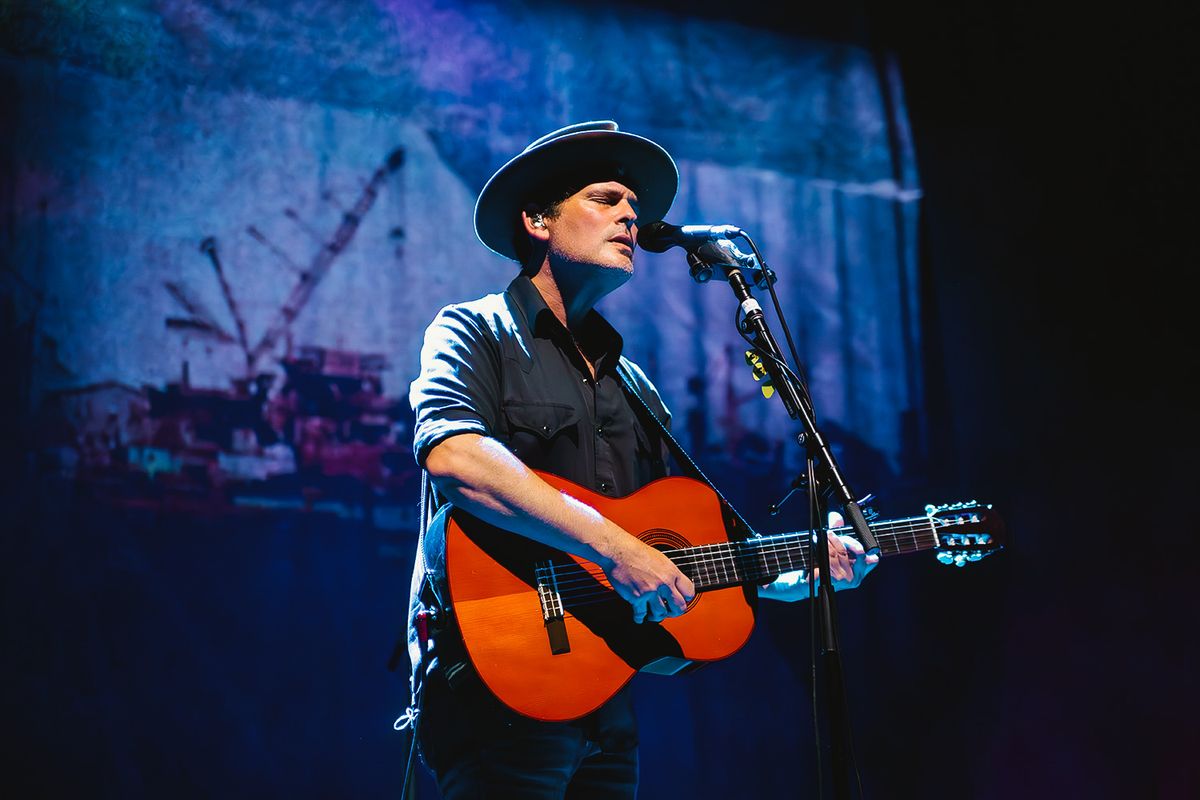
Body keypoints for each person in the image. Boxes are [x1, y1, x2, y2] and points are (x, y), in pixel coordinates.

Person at [404, 120, 878, 798]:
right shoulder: (474, 330)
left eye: (633, 203)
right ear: (538, 219)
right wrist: (614, 548)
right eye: (605, 198)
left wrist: (808, 570)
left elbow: (690, 554)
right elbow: (456, 457)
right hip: (496, 691)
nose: (631, 214)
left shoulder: (635, 385)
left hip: (604, 696)